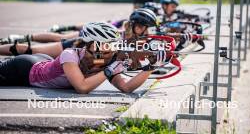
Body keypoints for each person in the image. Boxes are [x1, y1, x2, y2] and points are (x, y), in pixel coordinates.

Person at [0, 22, 167, 94]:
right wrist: (109, 71)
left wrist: (151, 67)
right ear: (93, 43)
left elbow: (126, 88)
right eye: (109, 43)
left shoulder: (105, 60)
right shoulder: (69, 55)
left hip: (42, 63)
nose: (113, 47)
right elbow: (81, 87)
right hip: (24, 69)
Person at [0, 8, 159, 58]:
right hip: (77, 45)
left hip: (82, 58)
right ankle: (20, 39)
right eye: (144, 27)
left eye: (147, 28)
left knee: (36, 55)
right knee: (32, 51)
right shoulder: (118, 34)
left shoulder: (138, 39)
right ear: (134, 25)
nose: (146, 31)